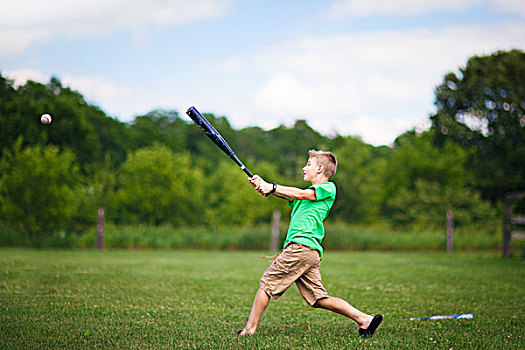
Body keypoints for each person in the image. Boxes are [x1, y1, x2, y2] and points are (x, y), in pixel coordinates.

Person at [238, 150, 383, 338]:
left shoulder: (328, 188)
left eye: (308, 164)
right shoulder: (304, 196)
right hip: (309, 252)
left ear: (320, 168)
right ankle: (365, 319)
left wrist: (271, 186)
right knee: (318, 299)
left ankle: (249, 329)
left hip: (300, 248)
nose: (304, 168)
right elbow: (289, 195)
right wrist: (263, 185)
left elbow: (299, 193)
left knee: (267, 284)